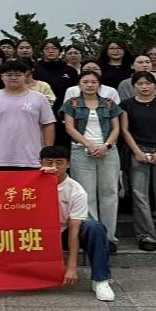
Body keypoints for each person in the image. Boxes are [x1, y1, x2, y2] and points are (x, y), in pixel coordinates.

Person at [39, 146, 115, 302]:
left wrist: (71, 267)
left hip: (64, 232)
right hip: (38, 234)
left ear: (68, 164)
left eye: (59, 162)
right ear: (41, 163)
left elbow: (74, 229)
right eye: (49, 162)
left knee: (95, 228)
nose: (54, 167)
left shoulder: (76, 190)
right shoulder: (31, 184)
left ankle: (101, 280)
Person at [60, 70, 123, 249]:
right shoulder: (72, 103)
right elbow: (70, 128)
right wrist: (89, 144)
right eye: (85, 81)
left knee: (109, 193)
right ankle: (93, 236)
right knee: (86, 195)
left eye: (93, 82)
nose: (89, 85)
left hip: (108, 151)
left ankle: (109, 237)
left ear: (99, 85)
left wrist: (106, 146)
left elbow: (116, 128)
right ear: (79, 84)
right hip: (81, 151)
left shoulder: (109, 103)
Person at [119, 71, 156, 252]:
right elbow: (124, 130)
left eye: (148, 83)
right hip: (137, 150)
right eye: (140, 84)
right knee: (139, 195)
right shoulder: (126, 105)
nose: (144, 87)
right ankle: (146, 235)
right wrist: (136, 151)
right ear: (133, 86)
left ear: (155, 85)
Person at [0, 60, 56, 170]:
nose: (13, 78)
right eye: (9, 75)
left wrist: (47, 152)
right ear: (1, 76)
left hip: (32, 156)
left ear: (25, 76)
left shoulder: (39, 98)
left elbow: (48, 124)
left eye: (18, 75)